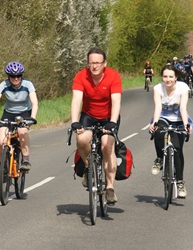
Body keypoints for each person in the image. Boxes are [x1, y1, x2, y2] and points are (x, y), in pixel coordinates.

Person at [70, 47, 122, 205]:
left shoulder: (113, 76)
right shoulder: (81, 76)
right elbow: (76, 100)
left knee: (107, 146)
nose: (94, 66)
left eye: (98, 63)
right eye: (91, 63)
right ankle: (88, 166)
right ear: (88, 63)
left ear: (104, 63)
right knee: (82, 140)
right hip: (89, 115)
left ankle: (110, 188)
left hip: (108, 116)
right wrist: (74, 121)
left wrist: (112, 121)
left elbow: (116, 101)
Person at [149, 64, 193, 198]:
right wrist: (155, 122)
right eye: (165, 76)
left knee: (178, 148)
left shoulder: (183, 88)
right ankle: (159, 158)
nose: (167, 79)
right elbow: (158, 106)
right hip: (163, 116)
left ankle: (180, 183)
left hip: (179, 118)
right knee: (157, 132)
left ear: (176, 78)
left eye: (170, 77)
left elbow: (182, 108)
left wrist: (186, 124)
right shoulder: (158, 88)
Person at [0, 62, 38, 171]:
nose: (16, 78)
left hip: (24, 113)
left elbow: (34, 103)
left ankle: (26, 160)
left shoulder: (28, 84)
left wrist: (32, 118)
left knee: (22, 132)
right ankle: (4, 167)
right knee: (1, 141)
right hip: (8, 113)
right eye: (13, 76)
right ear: (8, 77)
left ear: (21, 76)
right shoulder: (4, 85)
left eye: (18, 76)